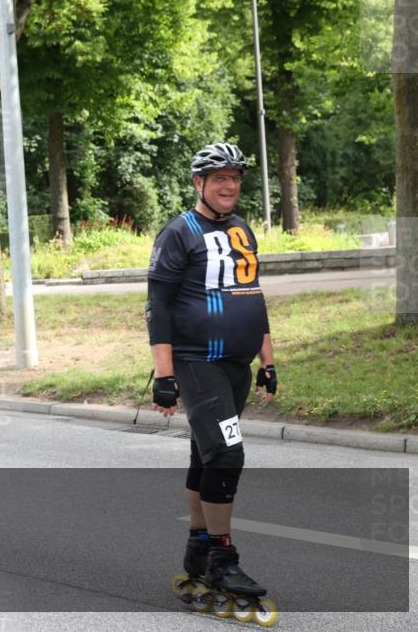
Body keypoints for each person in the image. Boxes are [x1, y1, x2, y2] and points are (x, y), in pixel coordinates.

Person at [145, 142, 278, 619]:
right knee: (227, 453)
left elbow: (253, 296)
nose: (229, 185)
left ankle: (198, 549)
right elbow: (158, 307)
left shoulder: (243, 230)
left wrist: (267, 359)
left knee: (205, 454)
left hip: (236, 366)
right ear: (199, 183)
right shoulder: (180, 231)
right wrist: (165, 374)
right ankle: (223, 557)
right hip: (198, 362)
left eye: (236, 178)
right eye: (219, 177)